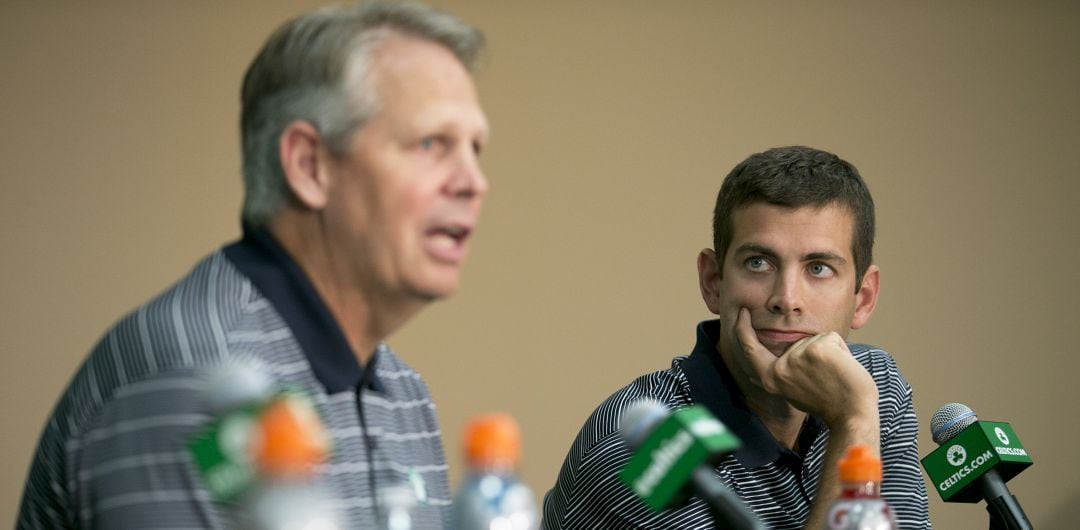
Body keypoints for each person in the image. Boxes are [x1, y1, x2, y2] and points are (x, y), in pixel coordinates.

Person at [17, 2, 489, 528]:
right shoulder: (199, 384)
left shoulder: (406, 397)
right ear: (310, 166)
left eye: (476, 149)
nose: (474, 182)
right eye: (431, 143)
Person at [542, 146, 931, 529]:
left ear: (863, 298)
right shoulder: (646, 445)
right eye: (758, 263)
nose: (787, 299)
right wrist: (853, 424)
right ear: (713, 282)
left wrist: (857, 412)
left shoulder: (873, 383)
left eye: (819, 268)